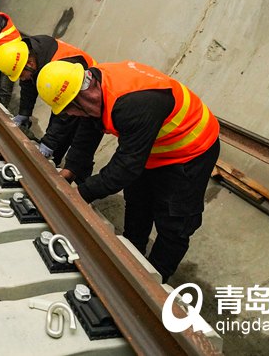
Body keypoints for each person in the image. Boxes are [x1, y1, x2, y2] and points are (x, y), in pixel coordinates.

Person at [36, 60, 221, 282]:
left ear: (84, 93)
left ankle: (155, 278)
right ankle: (132, 255)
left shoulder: (134, 104)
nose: (75, 114)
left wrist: (82, 193)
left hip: (190, 149)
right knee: (137, 202)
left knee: (175, 222)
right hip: (153, 147)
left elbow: (125, 168)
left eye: (73, 108)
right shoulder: (95, 85)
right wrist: (72, 170)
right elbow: (88, 129)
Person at [0, 36, 96, 147]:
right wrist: (24, 112)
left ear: (30, 64)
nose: (21, 79)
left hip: (90, 97)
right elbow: (29, 84)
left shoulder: (59, 67)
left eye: (21, 75)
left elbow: (65, 113)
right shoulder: (34, 55)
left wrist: (49, 143)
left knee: (73, 138)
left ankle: (56, 160)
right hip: (69, 93)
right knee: (58, 131)